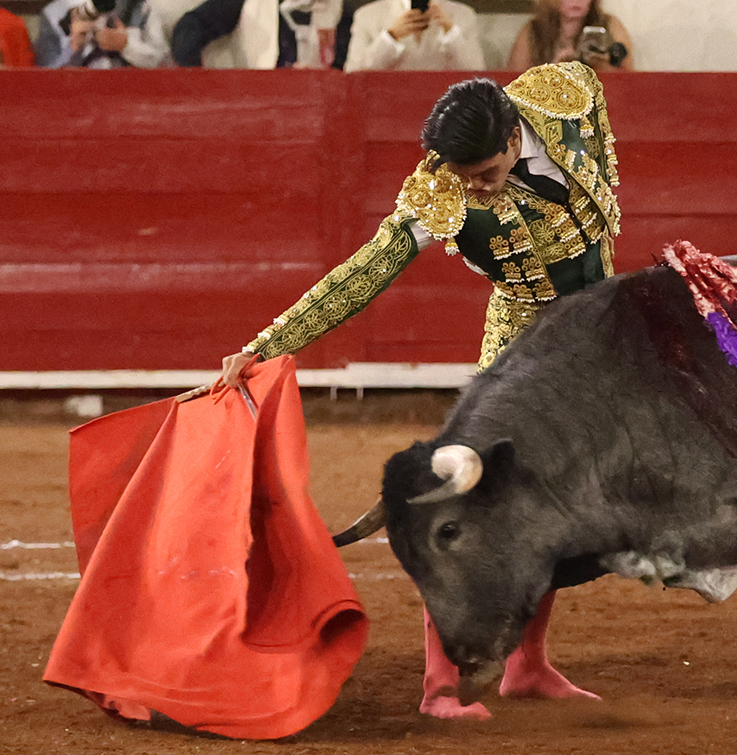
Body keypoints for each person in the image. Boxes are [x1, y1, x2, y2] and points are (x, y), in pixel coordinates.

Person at [218, 62, 622, 720]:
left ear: (513, 137)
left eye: (484, 174)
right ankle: (439, 684)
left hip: (596, 336)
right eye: (464, 177)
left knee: (559, 506)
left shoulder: (567, 93)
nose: (474, 188)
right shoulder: (439, 191)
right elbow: (366, 271)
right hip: (522, 341)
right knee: (474, 504)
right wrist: (271, 343)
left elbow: (598, 149)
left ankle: (527, 665)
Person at [172, 0, 346, 68]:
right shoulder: (249, 3)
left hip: (308, 110)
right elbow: (189, 28)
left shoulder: (335, 9)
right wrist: (200, 84)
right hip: (248, 107)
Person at [343, 0, 483, 72]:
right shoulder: (367, 15)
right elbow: (353, 72)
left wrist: (450, 30)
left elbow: (477, 70)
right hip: (387, 107)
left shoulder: (462, 14)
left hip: (444, 109)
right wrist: (391, 36)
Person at [507, 0, 633, 72]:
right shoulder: (533, 30)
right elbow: (513, 84)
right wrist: (554, 70)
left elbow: (629, 80)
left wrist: (602, 65)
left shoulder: (609, 25)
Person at [64, 0, 170, 68]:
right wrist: (75, 45)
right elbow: (57, 63)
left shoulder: (146, 10)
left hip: (129, 86)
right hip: (85, 84)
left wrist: (126, 44)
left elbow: (161, 61)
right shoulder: (79, 7)